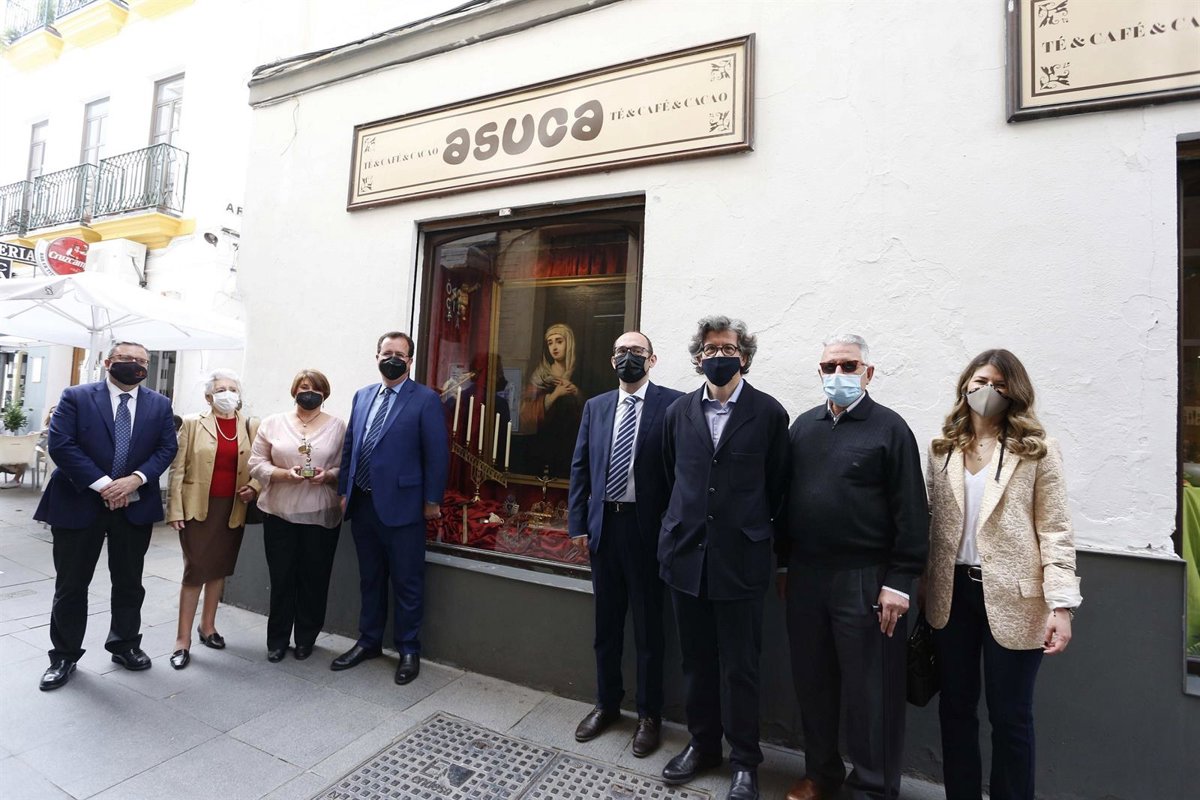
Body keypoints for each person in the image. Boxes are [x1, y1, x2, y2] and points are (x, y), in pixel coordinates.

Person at [924, 349, 1080, 800]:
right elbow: (931, 520)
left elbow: (1055, 530)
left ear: (1015, 391)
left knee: (1010, 716)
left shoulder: (1037, 450)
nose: (987, 390)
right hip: (951, 594)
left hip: (1017, 598)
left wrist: (1062, 605)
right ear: (965, 386)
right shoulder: (942, 449)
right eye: (979, 381)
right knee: (955, 708)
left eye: (998, 383)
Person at [779, 333, 928, 800]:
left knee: (872, 692)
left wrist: (900, 581)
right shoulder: (803, 427)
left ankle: (873, 787)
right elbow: (785, 501)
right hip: (806, 577)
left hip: (867, 580)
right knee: (813, 682)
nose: (838, 374)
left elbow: (912, 511)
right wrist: (784, 567)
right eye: (829, 367)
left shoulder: (890, 429)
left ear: (868, 372)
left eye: (848, 365)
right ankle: (821, 773)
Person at [658, 315, 789, 800]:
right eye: (710, 349)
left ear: (744, 357)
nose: (719, 356)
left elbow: (779, 488)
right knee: (696, 662)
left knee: (741, 668)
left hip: (741, 562)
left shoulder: (769, 413)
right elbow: (671, 478)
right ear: (698, 358)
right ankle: (703, 745)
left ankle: (745, 762)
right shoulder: (678, 413)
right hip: (686, 559)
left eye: (728, 349)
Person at [34, 341, 178, 690]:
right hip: (78, 501)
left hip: (134, 503)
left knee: (129, 581)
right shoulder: (76, 397)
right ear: (108, 362)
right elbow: (61, 445)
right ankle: (64, 655)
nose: (135, 364)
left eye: (142, 360)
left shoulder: (160, 404)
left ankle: (125, 645)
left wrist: (134, 480)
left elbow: (167, 448)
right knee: (71, 584)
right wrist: (105, 486)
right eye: (127, 359)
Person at [568, 331, 683, 757]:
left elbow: (682, 472)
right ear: (611, 359)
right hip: (605, 530)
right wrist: (578, 524)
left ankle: (650, 716)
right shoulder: (596, 406)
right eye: (620, 351)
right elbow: (580, 467)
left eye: (636, 351)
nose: (628, 357)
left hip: (647, 532)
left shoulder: (674, 405)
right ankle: (607, 704)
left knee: (650, 631)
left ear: (652, 359)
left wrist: (673, 529)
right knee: (606, 627)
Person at [333, 331, 449, 685]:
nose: (392, 359)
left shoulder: (426, 400)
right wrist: (343, 491)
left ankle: (408, 649)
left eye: (400, 354)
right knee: (370, 579)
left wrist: (432, 501)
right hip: (363, 504)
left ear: (410, 361)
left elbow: (437, 454)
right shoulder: (362, 395)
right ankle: (368, 641)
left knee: (407, 582)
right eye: (387, 353)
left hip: (405, 508)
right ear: (377, 356)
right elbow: (351, 444)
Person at [247, 369, 345, 662]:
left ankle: (306, 638)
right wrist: (282, 474)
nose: (308, 392)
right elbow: (255, 463)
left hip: (320, 515)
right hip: (279, 513)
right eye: (303, 387)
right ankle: (277, 640)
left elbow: (346, 466)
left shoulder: (338, 426)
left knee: (315, 578)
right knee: (281, 578)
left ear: (325, 393)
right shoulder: (272, 423)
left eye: (315, 388)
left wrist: (329, 475)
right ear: (294, 391)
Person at [165, 369, 260, 669]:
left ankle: (208, 626)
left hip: (232, 508)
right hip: (197, 508)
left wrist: (255, 487)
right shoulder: (192, 423)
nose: (227, 394)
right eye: (220, 390)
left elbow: (260, 464)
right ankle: (182, 640)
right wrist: (174, 509)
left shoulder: (250, 425)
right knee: (195, 571)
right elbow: (178, 469)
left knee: (218, 569)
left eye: (232, 389)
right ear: (209, 397)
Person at [519, 322, 584, 478]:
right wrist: (555, 395)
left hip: (571, 444)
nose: (554, 347)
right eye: (550, 343)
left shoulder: (581, 374)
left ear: (569, 344)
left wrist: (576, 392)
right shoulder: (540, 376)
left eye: (559, 341)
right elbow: (525, 413)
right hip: (543, 443)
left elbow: (592, 410)